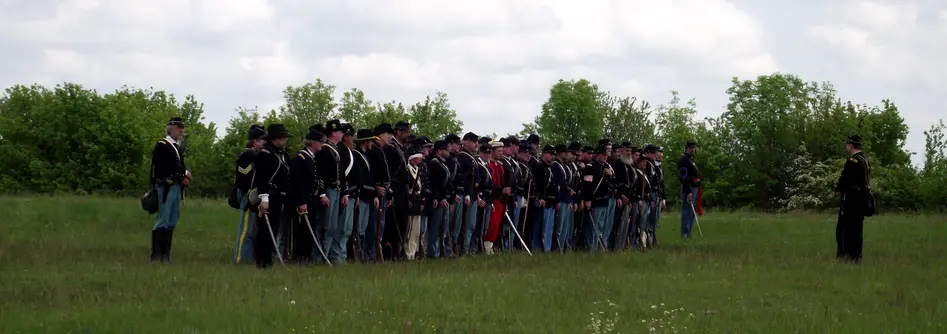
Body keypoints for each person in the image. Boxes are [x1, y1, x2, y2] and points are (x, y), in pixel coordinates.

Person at [149, 117, 192, 263]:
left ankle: (165, 255)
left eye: (182, 127)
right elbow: (166, 166)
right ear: (171, 128)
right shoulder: (162, 145)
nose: (181, 130)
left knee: (172, 220)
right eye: (178, 127)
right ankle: (156, 256)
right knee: (163, 220)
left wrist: (184, 175)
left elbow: (180, 166)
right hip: (166, 187)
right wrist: (185, 173)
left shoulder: (177, 147)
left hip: (176, 187)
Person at [252, 124, 293, 269]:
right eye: (283, 138)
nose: (285, 140)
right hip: (269, 195)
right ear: (276, 139)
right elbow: (261, 178)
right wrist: (264, 198)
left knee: (274, 229)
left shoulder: (282, 154)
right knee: (265, 230)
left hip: (280, 196)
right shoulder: (265, 153)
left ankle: (268, 259)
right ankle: (262, 261)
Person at [313, 120, 348, 264]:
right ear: (334, 133)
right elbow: (319, 174)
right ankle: (319, 256)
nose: (342, 135)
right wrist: (322, 193)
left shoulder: (334, 149)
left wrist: (345, 192)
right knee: (324, 225)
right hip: (328, 190)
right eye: (340, 132)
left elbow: (341, 174)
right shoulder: (325, 150)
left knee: (332, 227)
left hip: (336, 190)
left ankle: (325, 255)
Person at [289, 126, 325, 264]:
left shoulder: (311, 158)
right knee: (302, 230)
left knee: (310, 228)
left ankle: (307, 256)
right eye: (320, 142)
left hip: (312, 198)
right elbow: (297, 182)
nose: (321, 144)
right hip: (304, 199)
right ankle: (301, 256)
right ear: (313, 142)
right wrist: (301, 201)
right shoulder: (301, 158)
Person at [836, 135, 872, 263]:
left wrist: (837, 187)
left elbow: (844, 181)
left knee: (845, 229)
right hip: (862, 200)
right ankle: (856, 256)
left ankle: (845, 255)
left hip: (851, 200)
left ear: (851, 145)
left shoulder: (853, 161)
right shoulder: (865, 160)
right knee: (857, 229)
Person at [233, 124, 265, 264]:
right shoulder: (247, 155)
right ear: (255, 141)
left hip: (254, 196)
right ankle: (240, 258)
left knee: (253, 230)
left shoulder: (256, 155)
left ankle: (250, 257)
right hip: (247, 195)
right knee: (246, 230)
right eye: (262, 140)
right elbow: (244, 175)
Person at [383, 121, 411, 260]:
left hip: (403, 190)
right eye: (405, 132)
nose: (407, 134)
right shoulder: (390, 148)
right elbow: (389, 171)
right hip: (395, 188)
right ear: (398, 132)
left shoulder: (402, 148)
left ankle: (397, 252)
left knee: (402, 224)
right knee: (392, 224)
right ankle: (389, 253)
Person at [366, 123, 393, 262]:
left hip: (384, 193)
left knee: (380, 226)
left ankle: (375, 253)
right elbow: (371, 174)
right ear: (380, 135)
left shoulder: (381, 150)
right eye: (388, 134)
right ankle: (370, 254)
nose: (390, 137)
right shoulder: (373, 151)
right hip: (375, 193)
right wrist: (376, 189)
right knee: (373, 226)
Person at [351, 129, 379, 262]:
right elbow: (360, 178)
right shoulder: (356, 155)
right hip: (361, 196)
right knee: (358, 227)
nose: (372, 143)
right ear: (365, 142)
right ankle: (357, 254)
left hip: (368, 196)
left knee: (364, 228)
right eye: (371, 141)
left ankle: (362, 253)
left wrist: (374, 194)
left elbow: (371, 178)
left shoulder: (366, 156)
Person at [581, 145, 612, 252]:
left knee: (600, 226)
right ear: (597, 155)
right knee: (592, 226)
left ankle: (596, 246)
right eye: (603, 155)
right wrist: (588, 199)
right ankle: (591, 247)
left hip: (604, 199)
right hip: (595, 200)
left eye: (606, 155)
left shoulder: (606, 167)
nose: (605, 157)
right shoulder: (590, 167)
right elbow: (587, 184)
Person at [424, 140, 452, 258]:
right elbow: (433, 183)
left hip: (444, 199)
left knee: (443, 229)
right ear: (440, 150)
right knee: (435, 229)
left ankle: (441, 252)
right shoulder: (434, 163)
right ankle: (433, 253)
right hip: (437, 200)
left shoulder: (442, 163)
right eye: (446, 149)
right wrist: (439, 198)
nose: (448, 151)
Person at [336, 123, 358, 262]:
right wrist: (345, 192)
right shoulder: (341, 151)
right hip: (345, 193)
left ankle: (342, 255)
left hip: (351, 194)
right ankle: (338, 256)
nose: (353, 138)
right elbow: (342, 175)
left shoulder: (348, 151)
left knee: (348, 229)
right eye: (350, 136)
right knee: (342, 228)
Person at [532, 145, 557, 252]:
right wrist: (540, 197)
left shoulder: (549, 167)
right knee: (538, 225)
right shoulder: (539, 167)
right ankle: (536, 247)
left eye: (553, 155)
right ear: (544, 154)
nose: (552, 157)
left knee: (548, 227)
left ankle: (546, 248)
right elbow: (538, 185)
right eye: (550, 154)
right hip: (541, 200)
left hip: (549, 200)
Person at [404, 147, 425, 260]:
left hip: (417, 199)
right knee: (409, 229)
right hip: (410, 199)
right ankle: (407, 252)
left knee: (416, 230)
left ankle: (412, 252)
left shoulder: (418, 169)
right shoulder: (407, 169)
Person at [678, 141, 701, 239]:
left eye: (694, 147)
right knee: (687, 211)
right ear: (686, 148)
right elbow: (683, 178)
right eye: (691, 147)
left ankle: (689, 233)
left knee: (692, 212)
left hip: (695, 187)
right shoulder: (684, 160)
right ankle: (685, 234)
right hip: (689, 188)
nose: (692, 149)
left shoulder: (691, 159)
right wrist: (688, 191)